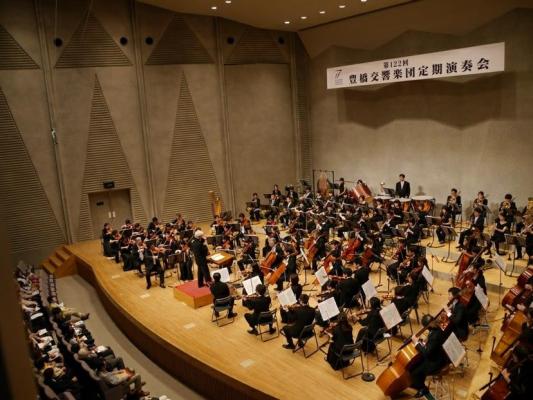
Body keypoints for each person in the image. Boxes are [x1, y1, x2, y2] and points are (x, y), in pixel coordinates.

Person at [409, 314, 450, 398]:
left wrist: (416, 343)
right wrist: (424, 343)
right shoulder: (438, 328)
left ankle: (423, 388)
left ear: (427, 326)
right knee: (418, 364)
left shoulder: (434, 336)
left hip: (436, 363)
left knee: (414, 372)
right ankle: (420, 381)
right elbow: (431, 346)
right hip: (441, 357)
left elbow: (427, 352)